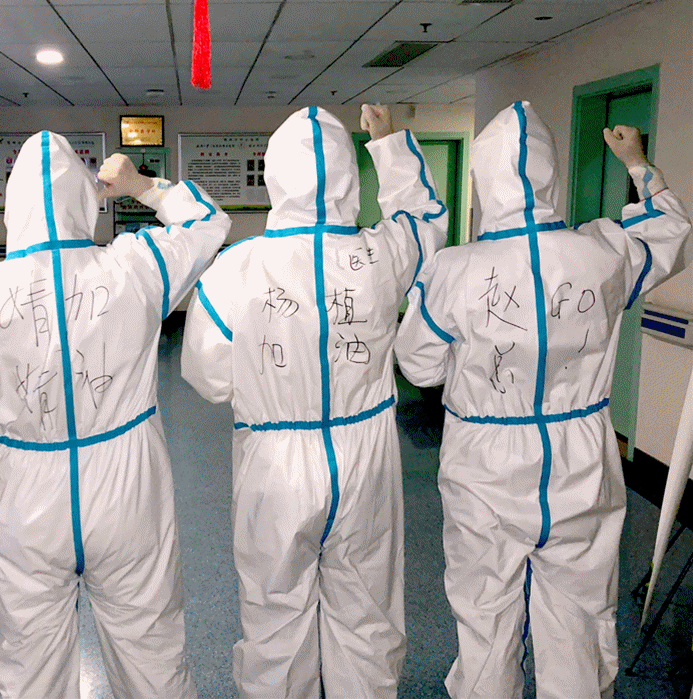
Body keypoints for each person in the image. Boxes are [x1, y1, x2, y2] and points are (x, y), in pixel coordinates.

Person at [394, 101, 692, 699]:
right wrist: (639, 165)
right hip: (580, 455)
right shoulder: (603, 250)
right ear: (551, 174)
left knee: (485, 612)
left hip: (483, 460)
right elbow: (670, 231)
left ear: (484, 178)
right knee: (580, 618)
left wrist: (468, 367)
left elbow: (418, 363)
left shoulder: (453, 269)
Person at [0, 131, 230, 699]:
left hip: (25, 492)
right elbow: (208, 223)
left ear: (12, 209)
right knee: (150, 643)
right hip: (127, 482)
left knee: (31, 656)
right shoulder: (136, 265)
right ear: (85, 200)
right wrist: (142, 186)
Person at [181, 105, 448, 698]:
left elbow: (207, 375)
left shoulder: (236, 268)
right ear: (351, 178)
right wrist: (389, 143)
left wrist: (266, 384)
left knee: (275, 614)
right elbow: (426, 220)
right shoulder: (382, 253)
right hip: (366, 457)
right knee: (368, 613)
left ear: (275, 177)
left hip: (274, 459)